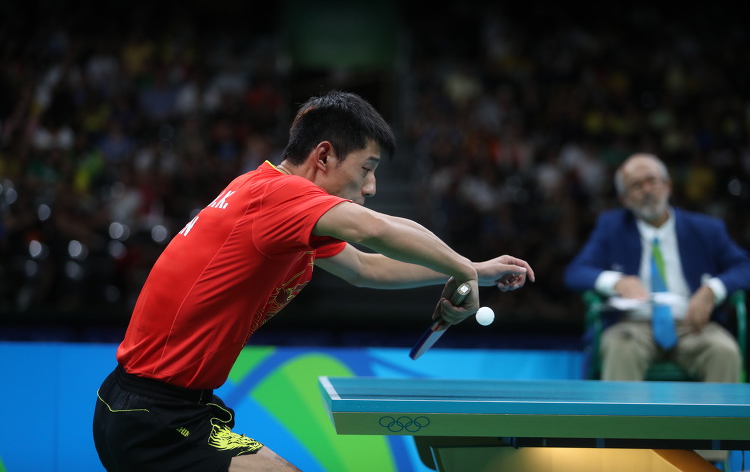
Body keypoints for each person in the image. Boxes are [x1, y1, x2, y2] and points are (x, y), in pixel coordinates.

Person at [93, 90, 535, 472]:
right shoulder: (277, 195)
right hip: (151, 415)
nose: (371, 186)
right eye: (366, 168)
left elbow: (367, 267)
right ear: (323, 156)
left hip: (168, 407)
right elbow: (376, 230)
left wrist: (476, 270)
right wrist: (460, 267)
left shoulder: (279, 207)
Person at [564, 152, 750, 382]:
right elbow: (576, 272)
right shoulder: (611, 227)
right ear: (625, 199)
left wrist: (712, 290)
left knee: (724, 351)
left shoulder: (706, 229)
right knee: (621, 349)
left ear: (668, 186)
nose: (646, 190)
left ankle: (719, 420)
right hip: (632, 326)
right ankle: (622, 419)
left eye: (652, 181)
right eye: (635, 185)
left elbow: (744, 266)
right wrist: (616, 282)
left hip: (693, 325)